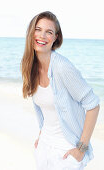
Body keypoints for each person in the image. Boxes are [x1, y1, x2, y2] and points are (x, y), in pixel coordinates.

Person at [21, 11, 100, 170]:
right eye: (38, 29)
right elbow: (45, 110)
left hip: (66, 152)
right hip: (44, 147)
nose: (42, 35)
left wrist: (81, 149)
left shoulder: (62, 68)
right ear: (31, 32)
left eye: (49, 32)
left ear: (55, 38)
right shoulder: (30, 66)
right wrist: (41, 135)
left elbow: (93, 105)